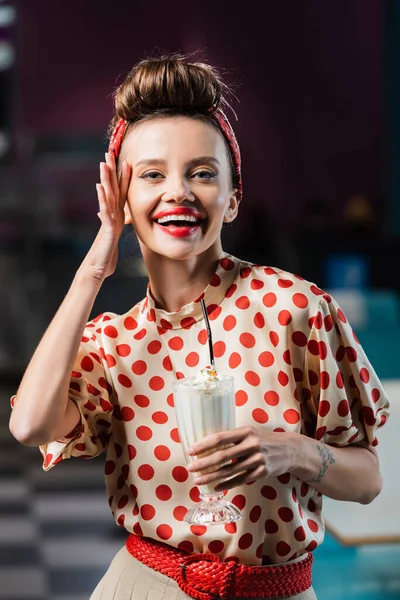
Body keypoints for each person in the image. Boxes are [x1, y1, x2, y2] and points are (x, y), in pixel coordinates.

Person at [9, 53, 390, 600]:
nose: (178, 192)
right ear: (121, 198)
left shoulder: (298, 310)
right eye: (152, 175)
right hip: (141, 586)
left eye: (203, 173)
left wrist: (293, 451)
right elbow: (29, 426)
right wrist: (94, 267)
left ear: (233, 199)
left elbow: (370, 480)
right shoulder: (112, 342)